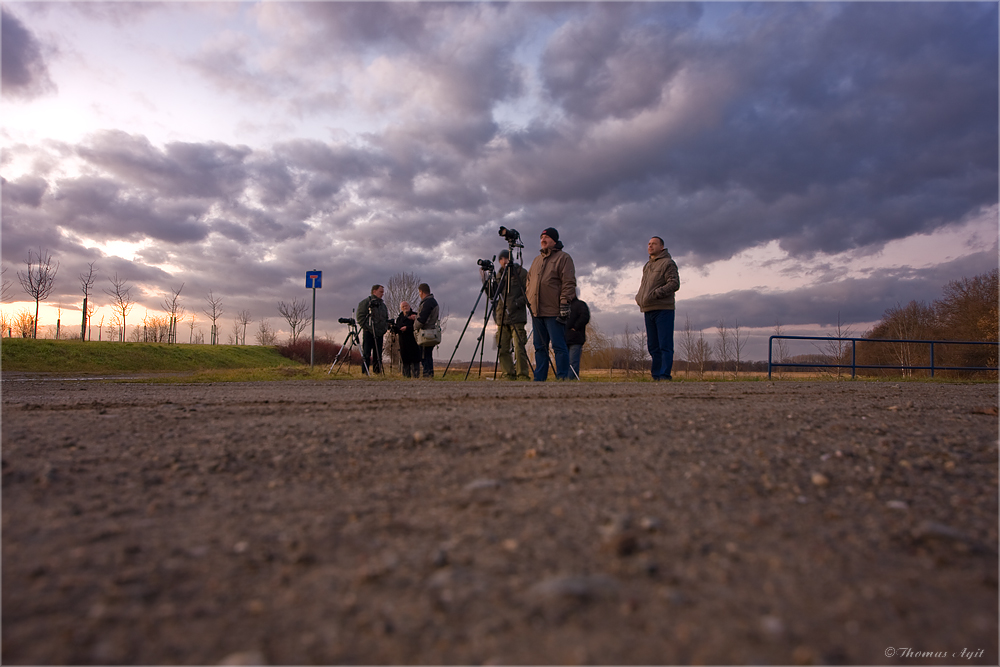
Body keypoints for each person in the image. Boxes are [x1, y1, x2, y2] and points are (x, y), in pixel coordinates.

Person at [525, 227, 576, 381]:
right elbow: (529, 281)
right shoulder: (536, 260)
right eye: (541, 238)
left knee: (559, 346)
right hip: (536, 311)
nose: (543, 240)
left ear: (554, 240)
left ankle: (562, 378)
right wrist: (529, 298)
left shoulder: (563, 258)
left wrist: (564, 303)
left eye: (546, 237)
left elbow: (568, 282)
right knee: (539, 347)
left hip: (554, 310)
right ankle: (539, 379)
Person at [635, 236, 680, 381]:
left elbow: (674, 284)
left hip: (663, 308)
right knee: (653, 346)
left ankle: (664, 375)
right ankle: (656, 376)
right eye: (648, 243)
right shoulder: (647, 266)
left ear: (661, 247)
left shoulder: (668, 263)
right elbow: (644, 285)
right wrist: (639, 297)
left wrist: (656, 294)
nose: (650, 246)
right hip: (648, 309)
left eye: (654, 244)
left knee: (664, 344)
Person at [484, 249, 530, 380]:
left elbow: (529, 293)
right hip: (502, 317)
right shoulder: (498, 275)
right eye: (501, 259)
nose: (503, 261)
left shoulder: (521, 272)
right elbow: (493, 295)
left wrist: (516, 304)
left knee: (519, 347)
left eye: (506, 258)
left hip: (517, 317)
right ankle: (508, 374)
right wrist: (485, 280)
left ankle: (522, 375)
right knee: (502, 348)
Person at [357, 284, 389, 375]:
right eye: (381, 291)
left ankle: (377, 372)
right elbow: (360, 317)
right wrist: (368, 328)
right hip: (369, 332)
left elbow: (386, 318)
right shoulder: (365, 303)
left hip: (380, 333)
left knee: (378, 354)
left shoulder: (382, 305)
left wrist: (384, 328)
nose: (382, 294)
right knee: (366, 353)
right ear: (374, 291)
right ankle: (365, 372)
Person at [410, 283, 439, 378]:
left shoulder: (427, 303)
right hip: (432, 332)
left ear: (421, 292)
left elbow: (422, 319)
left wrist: (415, 326)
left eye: (419, 292)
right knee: (428, 355)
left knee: (424, 355)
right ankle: (430, 374)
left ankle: (427, 374)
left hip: (425, 333)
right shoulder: (433, 302)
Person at [565, 291, 590, 380]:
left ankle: (572, 380)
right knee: (565, 362)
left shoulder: (580, 305)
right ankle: (564, 380)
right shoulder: (563, 306)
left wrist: (575, 327)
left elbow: (585, 317)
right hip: (564, 339)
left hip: (576, 338)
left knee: (573, 362)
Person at [392, 300, 421, 378]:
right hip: (403, 342)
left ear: (409, 306)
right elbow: (397, 329)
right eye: (403, 306)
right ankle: (406, 377)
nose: (405, 307)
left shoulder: (415, 315)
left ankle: (416, 376)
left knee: (415, 360)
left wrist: (407, 328)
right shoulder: (399, 318)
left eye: (406, 306)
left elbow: (418, 327)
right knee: (405, 360)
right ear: (401, 308)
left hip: (414, 341)